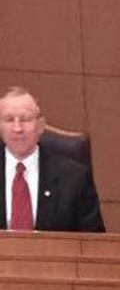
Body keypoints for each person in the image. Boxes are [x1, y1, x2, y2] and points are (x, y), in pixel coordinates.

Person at [1, 87, 104, 233]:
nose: (17, 128)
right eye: (9, 120)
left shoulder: (74, 178)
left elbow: (94, 242)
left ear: (41, 125)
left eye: (25, 119)